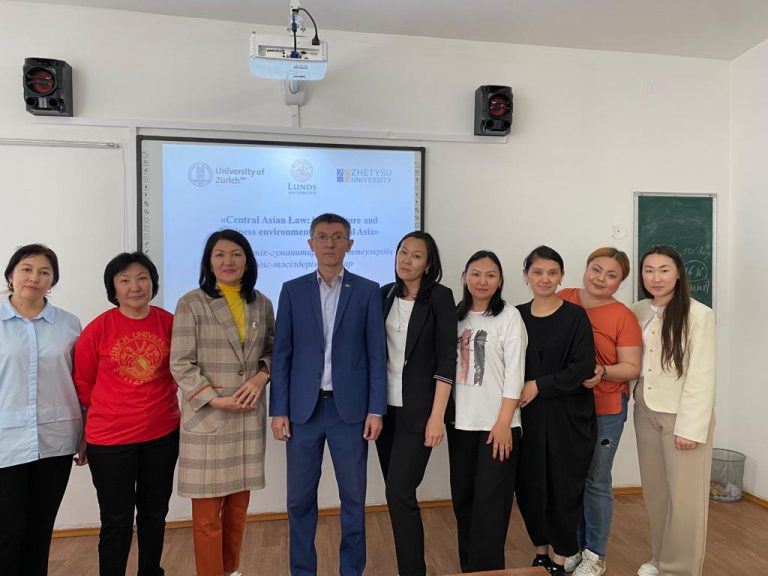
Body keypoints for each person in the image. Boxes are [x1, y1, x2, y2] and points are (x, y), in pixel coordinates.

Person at [270, 213, 387, 576]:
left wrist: (376, 409)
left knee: (353, 500)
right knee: (299, 501)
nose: (330, 243)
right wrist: (278, 410)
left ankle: (351, 570)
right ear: (311, 244)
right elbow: (283, 354)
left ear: (350, 244)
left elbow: (376, 355)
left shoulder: (367, 290)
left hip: (349, 412)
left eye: (338, 237)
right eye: (322, 236)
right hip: (302, 413)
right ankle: (302, 571)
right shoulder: (292, 290)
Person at [171, 229, 274, 576]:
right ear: (209, 262)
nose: (228, 261)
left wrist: (262, 376)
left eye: (236, 254)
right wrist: (215, 400)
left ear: (247, 261)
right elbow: (181, 363)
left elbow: (273, 350)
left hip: (246, 418)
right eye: (220, 254)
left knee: (237, 512)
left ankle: (230, 570)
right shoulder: (191, 302)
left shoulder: (262, 303)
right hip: (209, 420)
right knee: (206, 518)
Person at [73, 252, 180, 576]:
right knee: (116, 520)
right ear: (114, 288)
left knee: (154, 514)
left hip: (161, 435)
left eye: (142, 278)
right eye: (125, 280)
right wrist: (97, 421)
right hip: (110, 441)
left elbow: (182, 371)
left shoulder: (169, 323)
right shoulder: (98, 329)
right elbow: (83, 382)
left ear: (153, 283)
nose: (135, 286)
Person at [376, 231, 456, 576]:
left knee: (399, 492)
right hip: (384, 411)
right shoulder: (383, 294)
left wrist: (437, 416)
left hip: (420, 411)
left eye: (416, 255)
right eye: (402, 252)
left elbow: (447, 360)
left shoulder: (440, 297)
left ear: (428, 264)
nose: (406, 260)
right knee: (396, 495)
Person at [558, 248, 642, 576]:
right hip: (565, 406)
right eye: (596, 269)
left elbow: (631, 367)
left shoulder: (622, 316)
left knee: (595, 479)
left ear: (620, 283)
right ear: (586, 268)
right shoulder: (563, 298)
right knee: (570, 478)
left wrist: (603, 371)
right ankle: (574, 547)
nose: (601, 279)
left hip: (605, 408)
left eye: (611, 275)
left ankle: (595, 555)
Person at [0, 244, 83, 576]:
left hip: (56, 440)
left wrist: (87, 432)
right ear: (11, 275)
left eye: (44, 272)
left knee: (40, 529)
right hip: (5, 442)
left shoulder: (69, 324)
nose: (34, 278)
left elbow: (81, 381)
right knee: (7, 530)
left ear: (52, 281)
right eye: (26, 269)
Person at [632, 245, 715, 576]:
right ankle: (660, 557)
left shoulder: (699, 314)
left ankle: (680, 569)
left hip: (682, 416)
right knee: (656, 494)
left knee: (685, 501)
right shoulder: (637, 310)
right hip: (645, 412)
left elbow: (702, 375)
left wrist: (690, 428)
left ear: (678, 273)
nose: (656, 277)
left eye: (664, 270)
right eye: (649, 270)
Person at [515, 245, 596, 576]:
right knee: (530, 487)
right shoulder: (515, 316)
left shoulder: (575, 316)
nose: (544, 279)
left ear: (561, 276)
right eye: (537, 272)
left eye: (552, 273)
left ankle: (561, 558)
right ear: (526, 276)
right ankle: (540, 553)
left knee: (564, 488)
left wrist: (539, 385)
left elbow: (583, 367)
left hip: (568, 419)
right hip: (528, 419)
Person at [448, 250, 527, 573]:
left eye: (491, 275)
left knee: (491, 505)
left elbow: (515, 374)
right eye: (476, 274)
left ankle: (489, 569)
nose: (483, 281)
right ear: (464, 278)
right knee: (463, 501)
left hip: (499, 426)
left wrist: (504, 423)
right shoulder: (453, 316)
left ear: (500, 281)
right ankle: (470, 568)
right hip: (460, 424)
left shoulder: (509, 317)